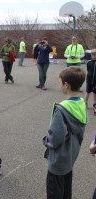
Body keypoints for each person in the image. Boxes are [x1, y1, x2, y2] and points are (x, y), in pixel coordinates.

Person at [42, 66, 86, 199]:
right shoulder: (81, 103)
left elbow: (55, 138)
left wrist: (46, 140)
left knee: (54, 190)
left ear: (66, 85)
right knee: (66, 187)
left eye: (60, 81)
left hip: (58, 161)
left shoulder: (62, 110)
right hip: (71, 155)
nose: (59, 84)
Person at [84, 49, 96, 114]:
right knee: (87, 92)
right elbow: (88, 70)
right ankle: (85, 103)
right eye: (93, 55)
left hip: (95, 81)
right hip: (89, 80)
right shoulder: (89, 62)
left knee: (95, 93)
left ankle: (95, 105)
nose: (94, 56)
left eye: (95, 55)